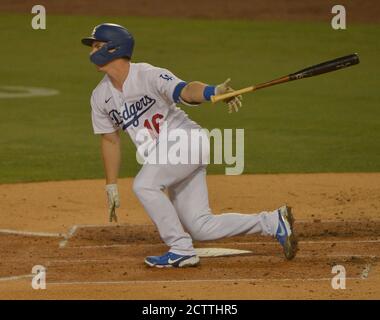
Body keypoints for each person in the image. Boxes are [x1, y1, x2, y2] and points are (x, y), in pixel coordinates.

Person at [81, 23, 298, 268]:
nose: (91, 51)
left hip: (186, 141)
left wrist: (212, 91)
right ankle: (273, 222)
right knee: (201, 227)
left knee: (144, 185)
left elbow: (184, 90)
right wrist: (111, 185)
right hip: (167, 157)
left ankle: (180, 249)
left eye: (97, 45)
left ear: (113, 49)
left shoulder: (148, 74)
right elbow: (110, 138)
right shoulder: (100, 96)